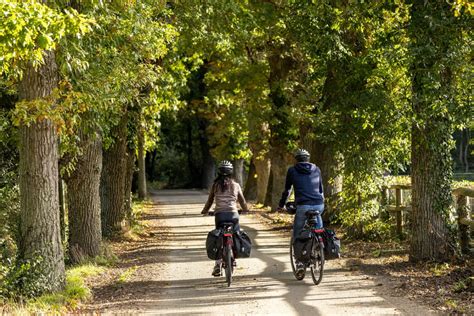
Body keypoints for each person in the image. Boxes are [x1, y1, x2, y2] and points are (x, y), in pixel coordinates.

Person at [278, 148, 324, 277]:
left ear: (296, 159)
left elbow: (287, 190)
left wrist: (281, 205)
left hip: (303, 205)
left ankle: (299, 263)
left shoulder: (292, 170)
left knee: (297, 233)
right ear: (308, 159)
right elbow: (321, 189)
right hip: (319, 204)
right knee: (319, 228)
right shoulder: (317, 169)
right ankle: (319, 248)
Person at [201, 160, 249, 277]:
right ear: (231, 172)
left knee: (219, 237)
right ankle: (234, 254)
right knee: (236, 233)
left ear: (219, 172)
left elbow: (210, 200)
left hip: (220, 215)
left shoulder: (215, 185)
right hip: (233, 215)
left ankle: (217, 264)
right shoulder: (236, 185)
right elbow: (242, 200)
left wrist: (205, 211)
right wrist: (245, 209)